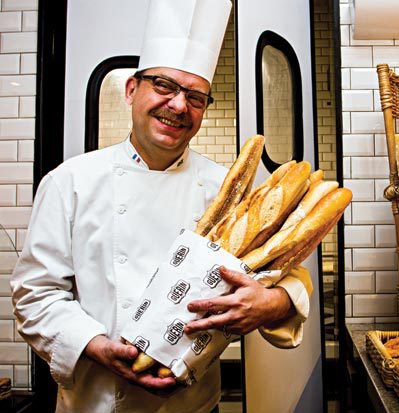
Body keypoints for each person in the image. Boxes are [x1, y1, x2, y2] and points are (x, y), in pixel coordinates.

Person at [10, 0, 312, 412]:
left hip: (192, 403)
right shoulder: (70, 182)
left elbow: (288, 277)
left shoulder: (226, 187)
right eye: (164, 86)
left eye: (195, 96)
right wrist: (96, 346)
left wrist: (270, 303)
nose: (178, 106)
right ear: (132, 90)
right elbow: (35, 294)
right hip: (95, 402)